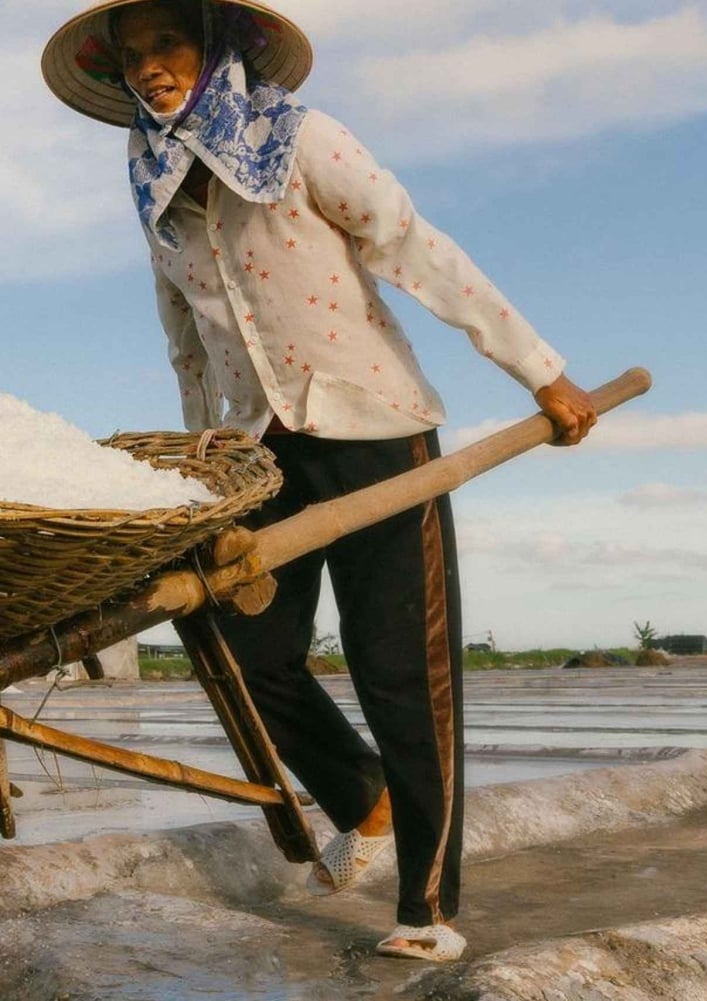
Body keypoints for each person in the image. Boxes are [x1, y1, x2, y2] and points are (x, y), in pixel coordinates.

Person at [43, 0, 598, 962]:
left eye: (167, 44)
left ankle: (425, 910)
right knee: (251, 655)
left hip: (374, 430)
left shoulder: (304, 141)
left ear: (215, 50)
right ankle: (363, 797)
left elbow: (417, 249)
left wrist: (540, 369)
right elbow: (188, 348)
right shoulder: (157, 189)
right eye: (132, 56)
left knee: (401, 673)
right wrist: (203, 464)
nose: (149, 69)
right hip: (258, 459)